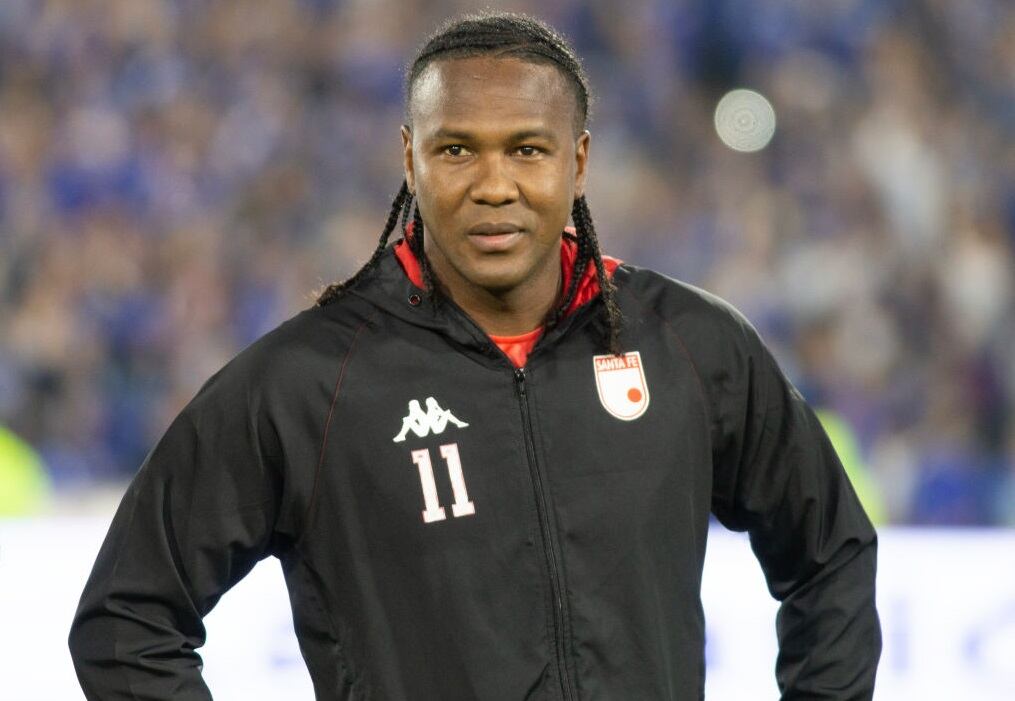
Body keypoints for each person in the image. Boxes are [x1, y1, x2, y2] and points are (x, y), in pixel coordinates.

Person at [69, 11, 881, 700]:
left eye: (527, 149)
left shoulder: (689, 344)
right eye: (456, 149)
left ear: (579, 162)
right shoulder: (309, 381)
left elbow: (830, 553)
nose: (493, 184)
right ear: (410, 158)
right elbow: (126, 618)